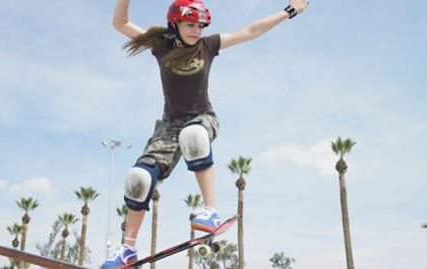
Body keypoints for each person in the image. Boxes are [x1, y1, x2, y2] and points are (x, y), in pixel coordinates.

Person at [103, 0, 309, 267]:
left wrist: (289, 11)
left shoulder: (208, 46)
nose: (196, 31)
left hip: (202, 118)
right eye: (190, 25)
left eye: (200, 26)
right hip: (168, 126)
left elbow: (251, 30)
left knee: (194, 137)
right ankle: (127, 249)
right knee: (138, 178)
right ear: (174, 24)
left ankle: (210, 210)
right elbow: (120, 24)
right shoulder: (160, 45)